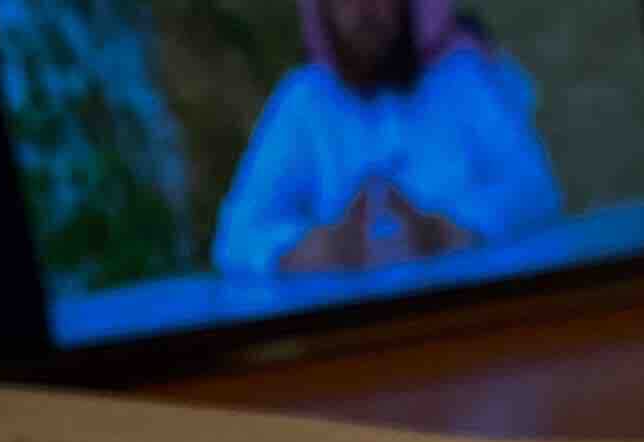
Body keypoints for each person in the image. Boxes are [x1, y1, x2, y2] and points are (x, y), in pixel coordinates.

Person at [212, 0, 563, 276]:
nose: (363, 10)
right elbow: (236, 237)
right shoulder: (305, 101)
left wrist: (442, 232)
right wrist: (319, 248)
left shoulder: (464, 80)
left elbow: (537, 190)